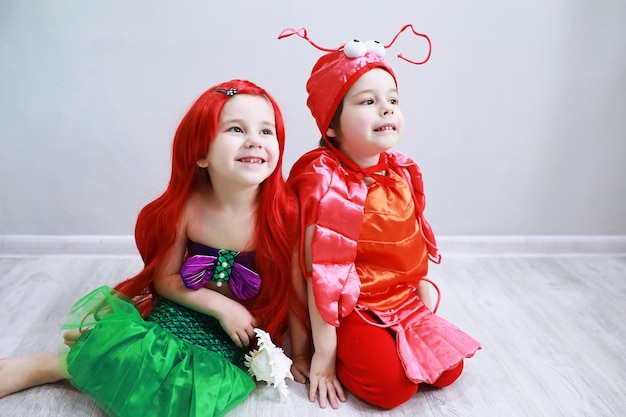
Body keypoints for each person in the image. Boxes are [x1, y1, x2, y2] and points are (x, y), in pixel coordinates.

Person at [0, 79, 298, 417]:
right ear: (201, 153)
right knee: (146, 353)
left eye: (266, 131)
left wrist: (301, 354)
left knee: (191, 392)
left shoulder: (283, 213)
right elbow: (166, 279)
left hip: (241, 328)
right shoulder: (186, 209)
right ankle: (54, 365)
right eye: (235, 129)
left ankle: (92, 355)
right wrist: (219, 305)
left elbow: (299, 289)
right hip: (190, 306)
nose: (254, 142)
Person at [280, 26, 481, 410]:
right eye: (367, 101)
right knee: (391, 391)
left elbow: (409, 249)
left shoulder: (398, 172)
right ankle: (354, 349)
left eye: (392, 99)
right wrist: (317, 353)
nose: (387, 108)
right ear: (332, 126)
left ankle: (392, 336)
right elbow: (314, 276)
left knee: (447, 370)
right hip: (346, 305)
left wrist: (419, 305)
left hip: (398, 297)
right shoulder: (328, 184)